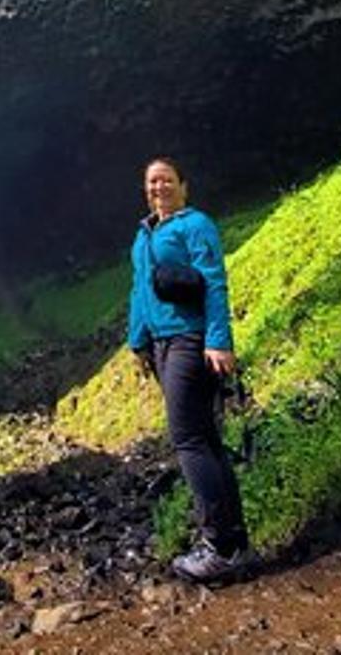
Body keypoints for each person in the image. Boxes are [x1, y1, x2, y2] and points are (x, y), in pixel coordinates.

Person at [127, 156, 254, 582]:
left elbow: (214, 281)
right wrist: (137, 340)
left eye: (166, 180)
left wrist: (219, 340)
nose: (158, 187)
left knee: (189, 441)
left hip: (190, 340)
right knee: (206, 441)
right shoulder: (143, 235)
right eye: (151, 182)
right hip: (161, 344)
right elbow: (138, 290)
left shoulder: (195, 225)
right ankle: (234, 542)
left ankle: (218, 546)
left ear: (184, 185)